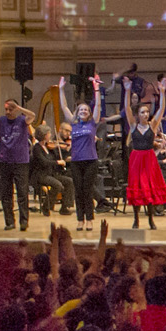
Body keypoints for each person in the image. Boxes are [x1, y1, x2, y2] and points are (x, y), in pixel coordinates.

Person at [122, 75, 166, 232]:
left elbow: (161, 109)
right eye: (142, 112)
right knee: (137, 188)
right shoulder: (133, 124)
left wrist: (162, 92)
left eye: (147, 112)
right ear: (138, 114)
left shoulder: (153, 125)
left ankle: (151, 219)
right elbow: (127, 108)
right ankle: (136, 219)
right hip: (137, 158)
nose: (145, 114)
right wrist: (127, 90)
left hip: (149, 158)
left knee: (149, 188)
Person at [58, 74, 102, 223]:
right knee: (78, 191)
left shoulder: (92, 124)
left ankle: (89, 219)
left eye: (86, 110)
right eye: (81, 109)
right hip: (76, 161)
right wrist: (61, 90)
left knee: (87, 191)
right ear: (77, 112)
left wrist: (97, 89)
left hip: (90, 161)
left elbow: (98, 107)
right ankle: (80, 219)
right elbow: (64, 106)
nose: (83, 111)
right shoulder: (74, 123)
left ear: (89, 113)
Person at [0, 95, 34, 231]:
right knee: (6, 193)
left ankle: (24, 221)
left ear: (16, 109)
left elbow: (32, 115)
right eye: (6, 109)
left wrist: (19, 108)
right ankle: (9, 222)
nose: (8, 111)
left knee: (22, 192)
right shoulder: (1, 121)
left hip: (21, 161)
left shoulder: (22, 120)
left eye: (11, 109)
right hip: (5, 160)